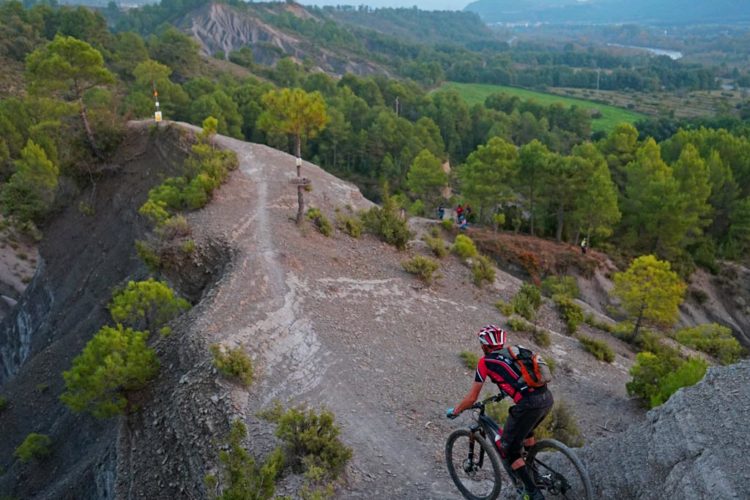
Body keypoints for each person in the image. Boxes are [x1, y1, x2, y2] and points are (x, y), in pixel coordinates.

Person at [446, 325, 553, 500]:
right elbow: (521, 377)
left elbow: (472, 398)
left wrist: (456, 411)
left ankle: (533, 492)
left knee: (508, 450)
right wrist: (505, 391)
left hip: (528, 405)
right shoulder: (514, 352)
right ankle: (535, 476)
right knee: (527, 434)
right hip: (546, 398)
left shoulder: (485, 362)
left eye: (481, 344)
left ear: (485, 346)